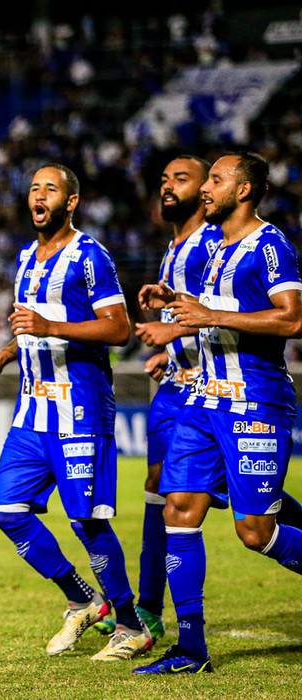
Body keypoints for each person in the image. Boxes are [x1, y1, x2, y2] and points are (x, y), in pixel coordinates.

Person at [134, 152, 302, 675]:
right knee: (178, 508)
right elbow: (210, 316)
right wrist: (175, 305)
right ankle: (191, 648)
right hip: (204, 401)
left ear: (245, 189)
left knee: (255, 531)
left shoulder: (269, 245)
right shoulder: (216, 252)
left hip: (255, 402)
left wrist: (207, 313)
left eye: (216, 179)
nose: (206, 187)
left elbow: (292, 319)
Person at [0, 163, 149, 661]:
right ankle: (82, 597)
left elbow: (118, 329)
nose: (38, 195)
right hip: (32, 411)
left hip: (80, 410)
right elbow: (30, 324)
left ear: (71, 202)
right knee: (8, 511)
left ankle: (131, 626)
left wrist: (51, 325)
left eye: (50, 188)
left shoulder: (89, 256)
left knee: (86, 522)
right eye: (33, 188)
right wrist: (1, 358)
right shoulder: (27, 256)